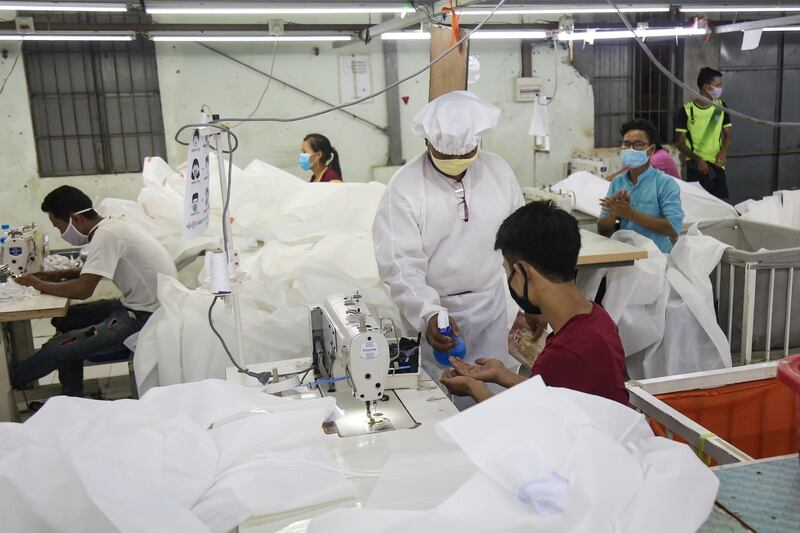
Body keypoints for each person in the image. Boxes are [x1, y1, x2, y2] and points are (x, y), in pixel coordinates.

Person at [373, 91, 526, 408]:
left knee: (495, 403)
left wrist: (529, 304)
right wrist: (428, 314)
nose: (456, 165)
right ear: (427, 142)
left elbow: (520, 245)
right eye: (447, 157)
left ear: (478, 142)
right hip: (436, 313)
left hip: (493, 308)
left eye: (465, 155)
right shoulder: (405, 188)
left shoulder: (499, 173)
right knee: (442, 404)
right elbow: (401, 266)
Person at [440, 201, 628, 406]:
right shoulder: (597, 318)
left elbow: (531, 430)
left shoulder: (564, 354)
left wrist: (474, 389)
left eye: (507, 270)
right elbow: (558, 392)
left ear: (522, 272)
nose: (508, 277)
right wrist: (503, 375)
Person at [11, 186, 177, 397]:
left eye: (59, 227)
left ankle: (7, 383)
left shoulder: (106, 235)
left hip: (146, 318)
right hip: (140, 305)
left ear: (76, 219)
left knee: (56, 349)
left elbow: (83, 289)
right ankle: (73, 394)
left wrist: (37, 284)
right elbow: (90, 271)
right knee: (66, 319)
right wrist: (50, 277)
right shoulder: (111, 226)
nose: (61, 234)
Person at [598, 119, 685, 254]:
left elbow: (673, 229)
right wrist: (614, 215)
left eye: (638, 144)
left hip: (656, 258)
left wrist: (630, 214)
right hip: (623, 256)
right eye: (626, 144)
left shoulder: (665, 183)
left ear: (651, 150)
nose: (631, 149)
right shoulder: (618, 182)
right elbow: (602, 230)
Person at [675, 67, 732, 200]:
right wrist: (698, 159)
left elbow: (728, 135)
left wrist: (723, 151)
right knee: (699, 206)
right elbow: (680, 143)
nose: (720, 88)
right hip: (696, 167)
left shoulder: (720, 107)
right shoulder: (686, 110)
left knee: (720, 206)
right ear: (707, 86)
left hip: (717, 165)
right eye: (718, 85)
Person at [605, 139, 680, 181]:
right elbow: (630, 167)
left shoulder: (659, 157)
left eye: (638, 144)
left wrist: (614, 178)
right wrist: (613, 175)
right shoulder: (643, 156)